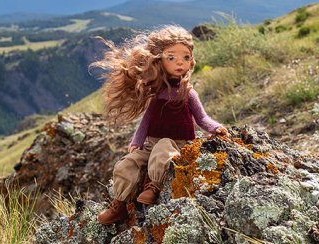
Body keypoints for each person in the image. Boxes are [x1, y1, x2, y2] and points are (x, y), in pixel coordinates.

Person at [90, 25, 227, 225]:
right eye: (171, 57)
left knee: (163, 147)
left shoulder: (188, 93)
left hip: (178, 144)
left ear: (191, 61)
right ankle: (118, 204)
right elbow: (147, 120)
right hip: (150, 144)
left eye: (185, 57)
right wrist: (137, 141)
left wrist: (215, 128)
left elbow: (202, 118)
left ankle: (154, 185)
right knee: (128, 162)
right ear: (158, 61)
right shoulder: (156, 94)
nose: (180, 62)